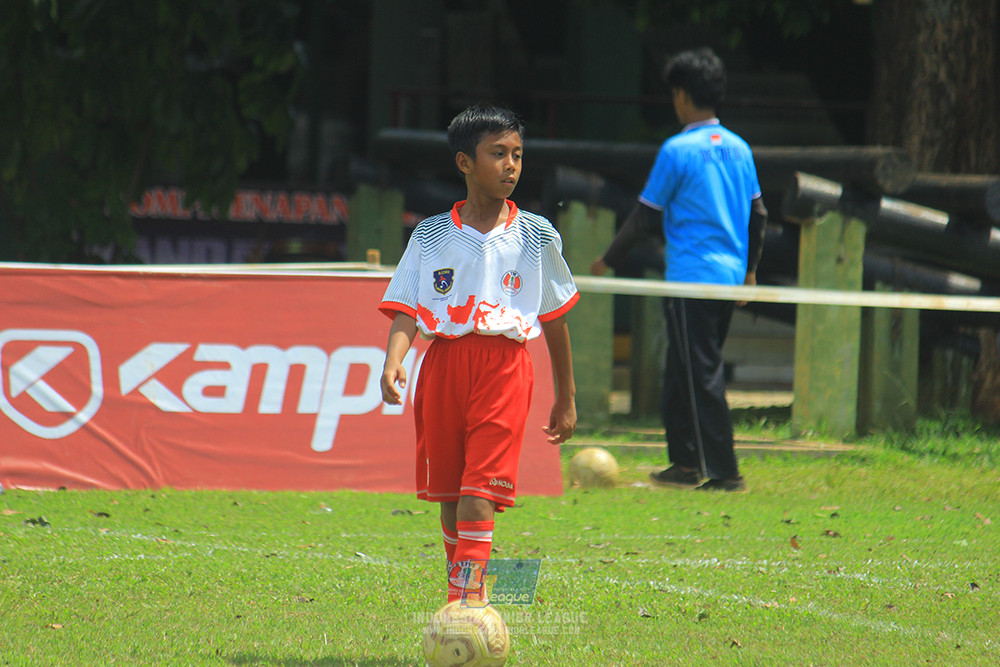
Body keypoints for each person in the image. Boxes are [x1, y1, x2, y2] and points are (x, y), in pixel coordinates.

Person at [379, 104, 579, 603]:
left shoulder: (537, 235)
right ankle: (469, 589)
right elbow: (407, 306)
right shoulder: (430, 234)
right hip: (444, 366)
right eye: (498, 154)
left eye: (517, 154)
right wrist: (393, 358)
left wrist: (566, 396)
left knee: (477, 495)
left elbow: (554, 319)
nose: (511, 165)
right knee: (449, 495)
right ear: (465, 162)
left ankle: (464, 605)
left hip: (504, 369)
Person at [591, 48, 767, 493]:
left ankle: (726, 472)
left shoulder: (678, 150)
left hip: (691, 278)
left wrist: (608, 259)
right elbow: (759, 214)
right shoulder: (740, 148)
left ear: (683, 96)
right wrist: (749, 274)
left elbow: (646, 215)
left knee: (700, 372)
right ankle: (685, 464)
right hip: (727, 278)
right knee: (680, 369)